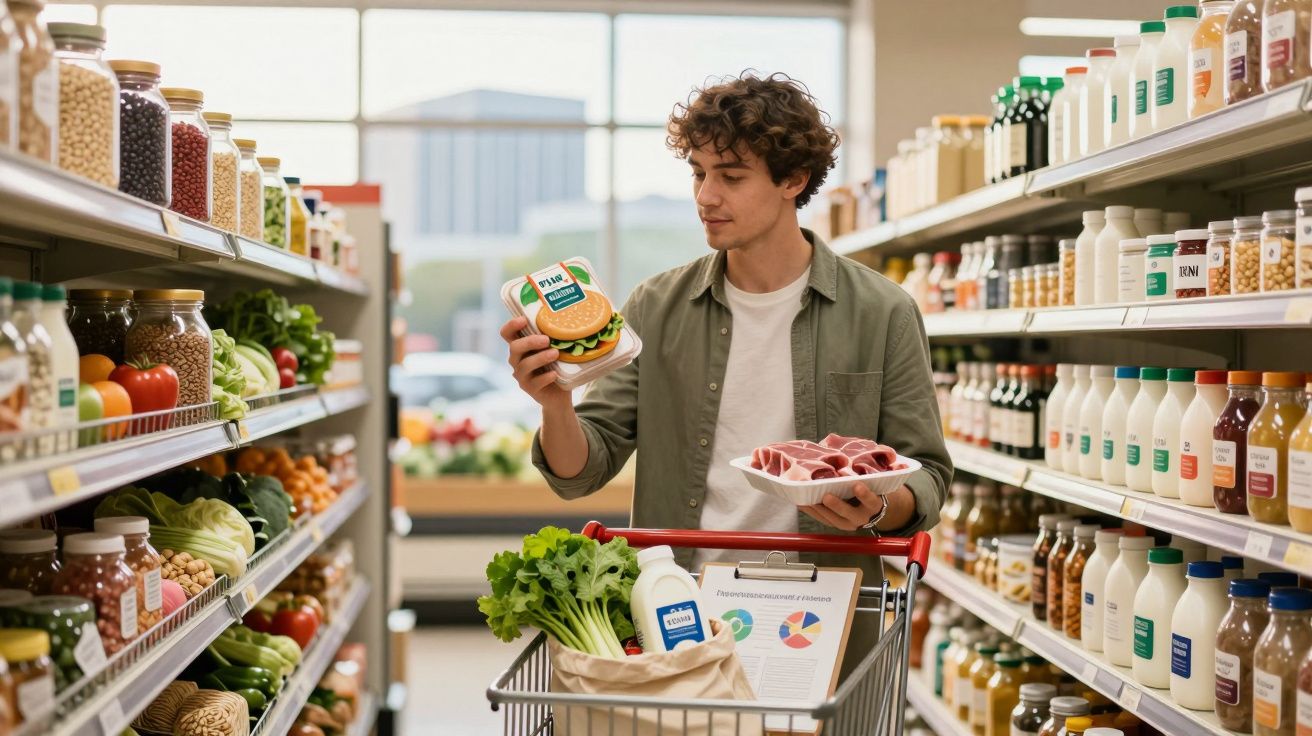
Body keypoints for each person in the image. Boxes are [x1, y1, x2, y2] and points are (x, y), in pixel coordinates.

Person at [499, 71, 951, 673]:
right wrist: (555, 402)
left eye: (731, 177)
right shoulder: (656, 306)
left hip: (821, 618)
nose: (706, 196)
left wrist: (872, 509)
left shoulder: (882, 311)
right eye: (698, 173)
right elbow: (581, 473)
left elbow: (928, 477)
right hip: (679, 611)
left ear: (793, 180)